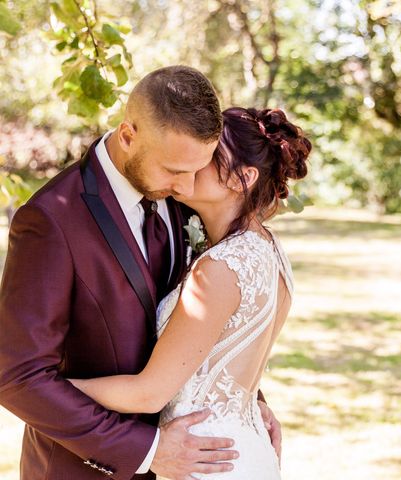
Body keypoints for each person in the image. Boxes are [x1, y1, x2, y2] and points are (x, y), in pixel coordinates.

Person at [0, 66, 281, 479]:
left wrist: (244, 396)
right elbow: (17, 376)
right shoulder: (51, 221)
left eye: (197, 168)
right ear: (129, 135)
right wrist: (147, 451)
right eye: (174, 170)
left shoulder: (178, 195)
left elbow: (203, 323)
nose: (187, 184)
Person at [68, 106, 311, 479]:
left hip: (210, 463)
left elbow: (149, 393)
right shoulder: (271, 251)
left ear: (243, 177)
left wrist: (52, 387)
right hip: (244, 451)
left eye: (211, 155)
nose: (193, 161)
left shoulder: (219, 269)